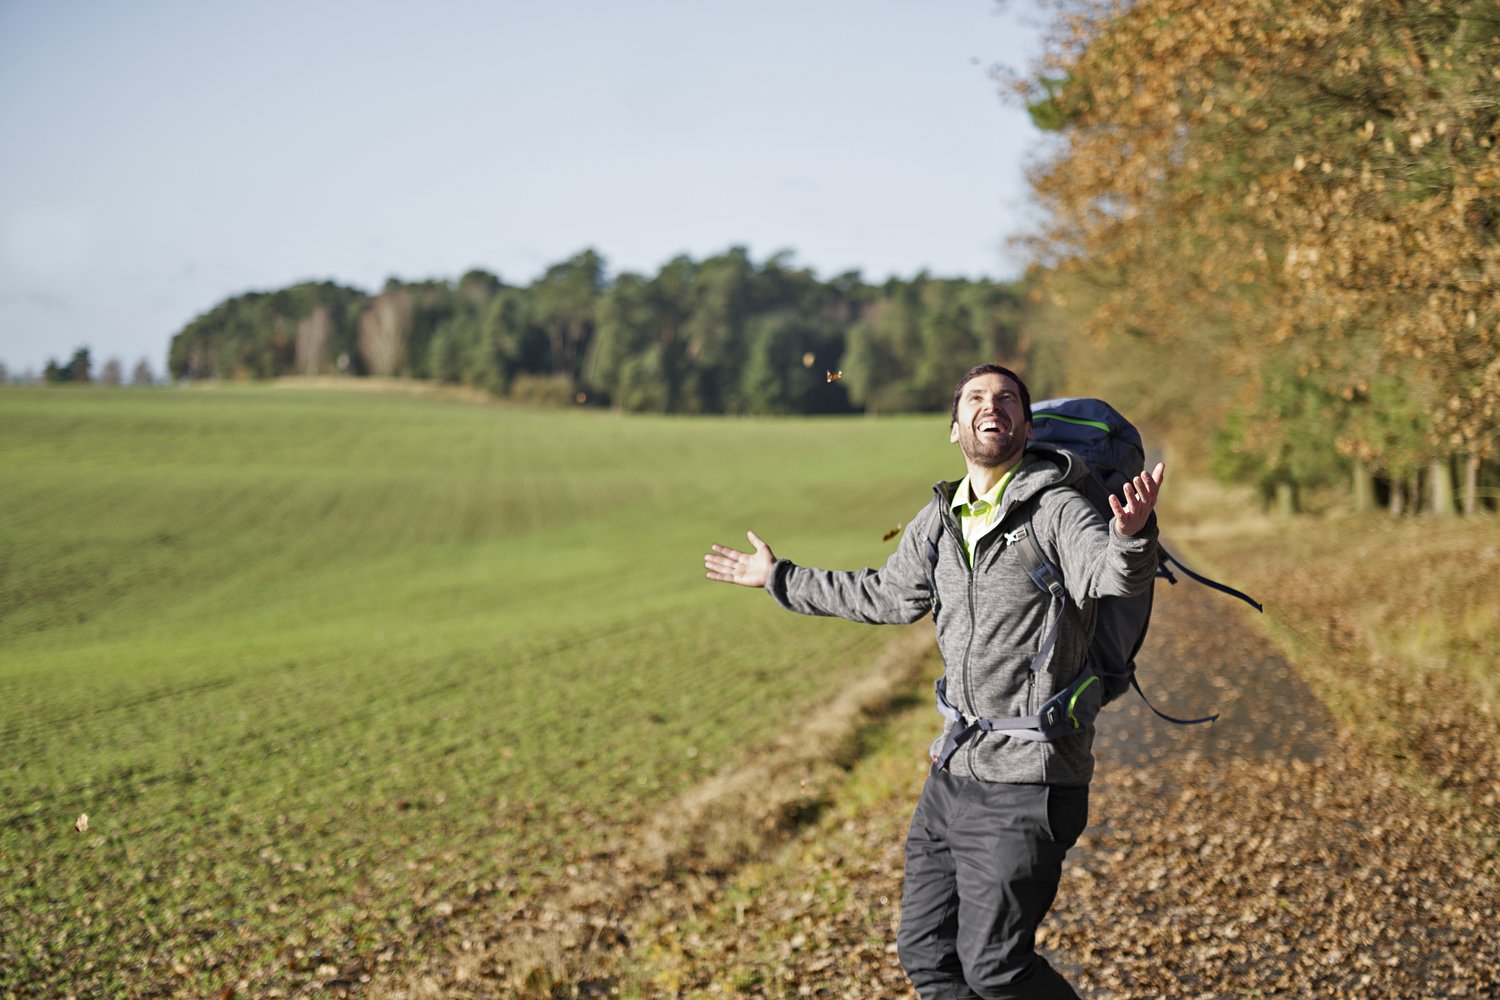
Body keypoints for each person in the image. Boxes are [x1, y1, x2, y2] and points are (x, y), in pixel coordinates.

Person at [703, 364, 1165, 999]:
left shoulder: (1056, 507)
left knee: (997, 970)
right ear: (956, 428)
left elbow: (1109, 572)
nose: (991, 405)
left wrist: (1130, 535)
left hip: (1030, 777)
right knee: (927, 956)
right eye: (975, 398)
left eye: (1007, 399)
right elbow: (886, 597)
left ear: (1026, 428)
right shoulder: (941, 518)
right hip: (950, 774)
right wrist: (778, 577)